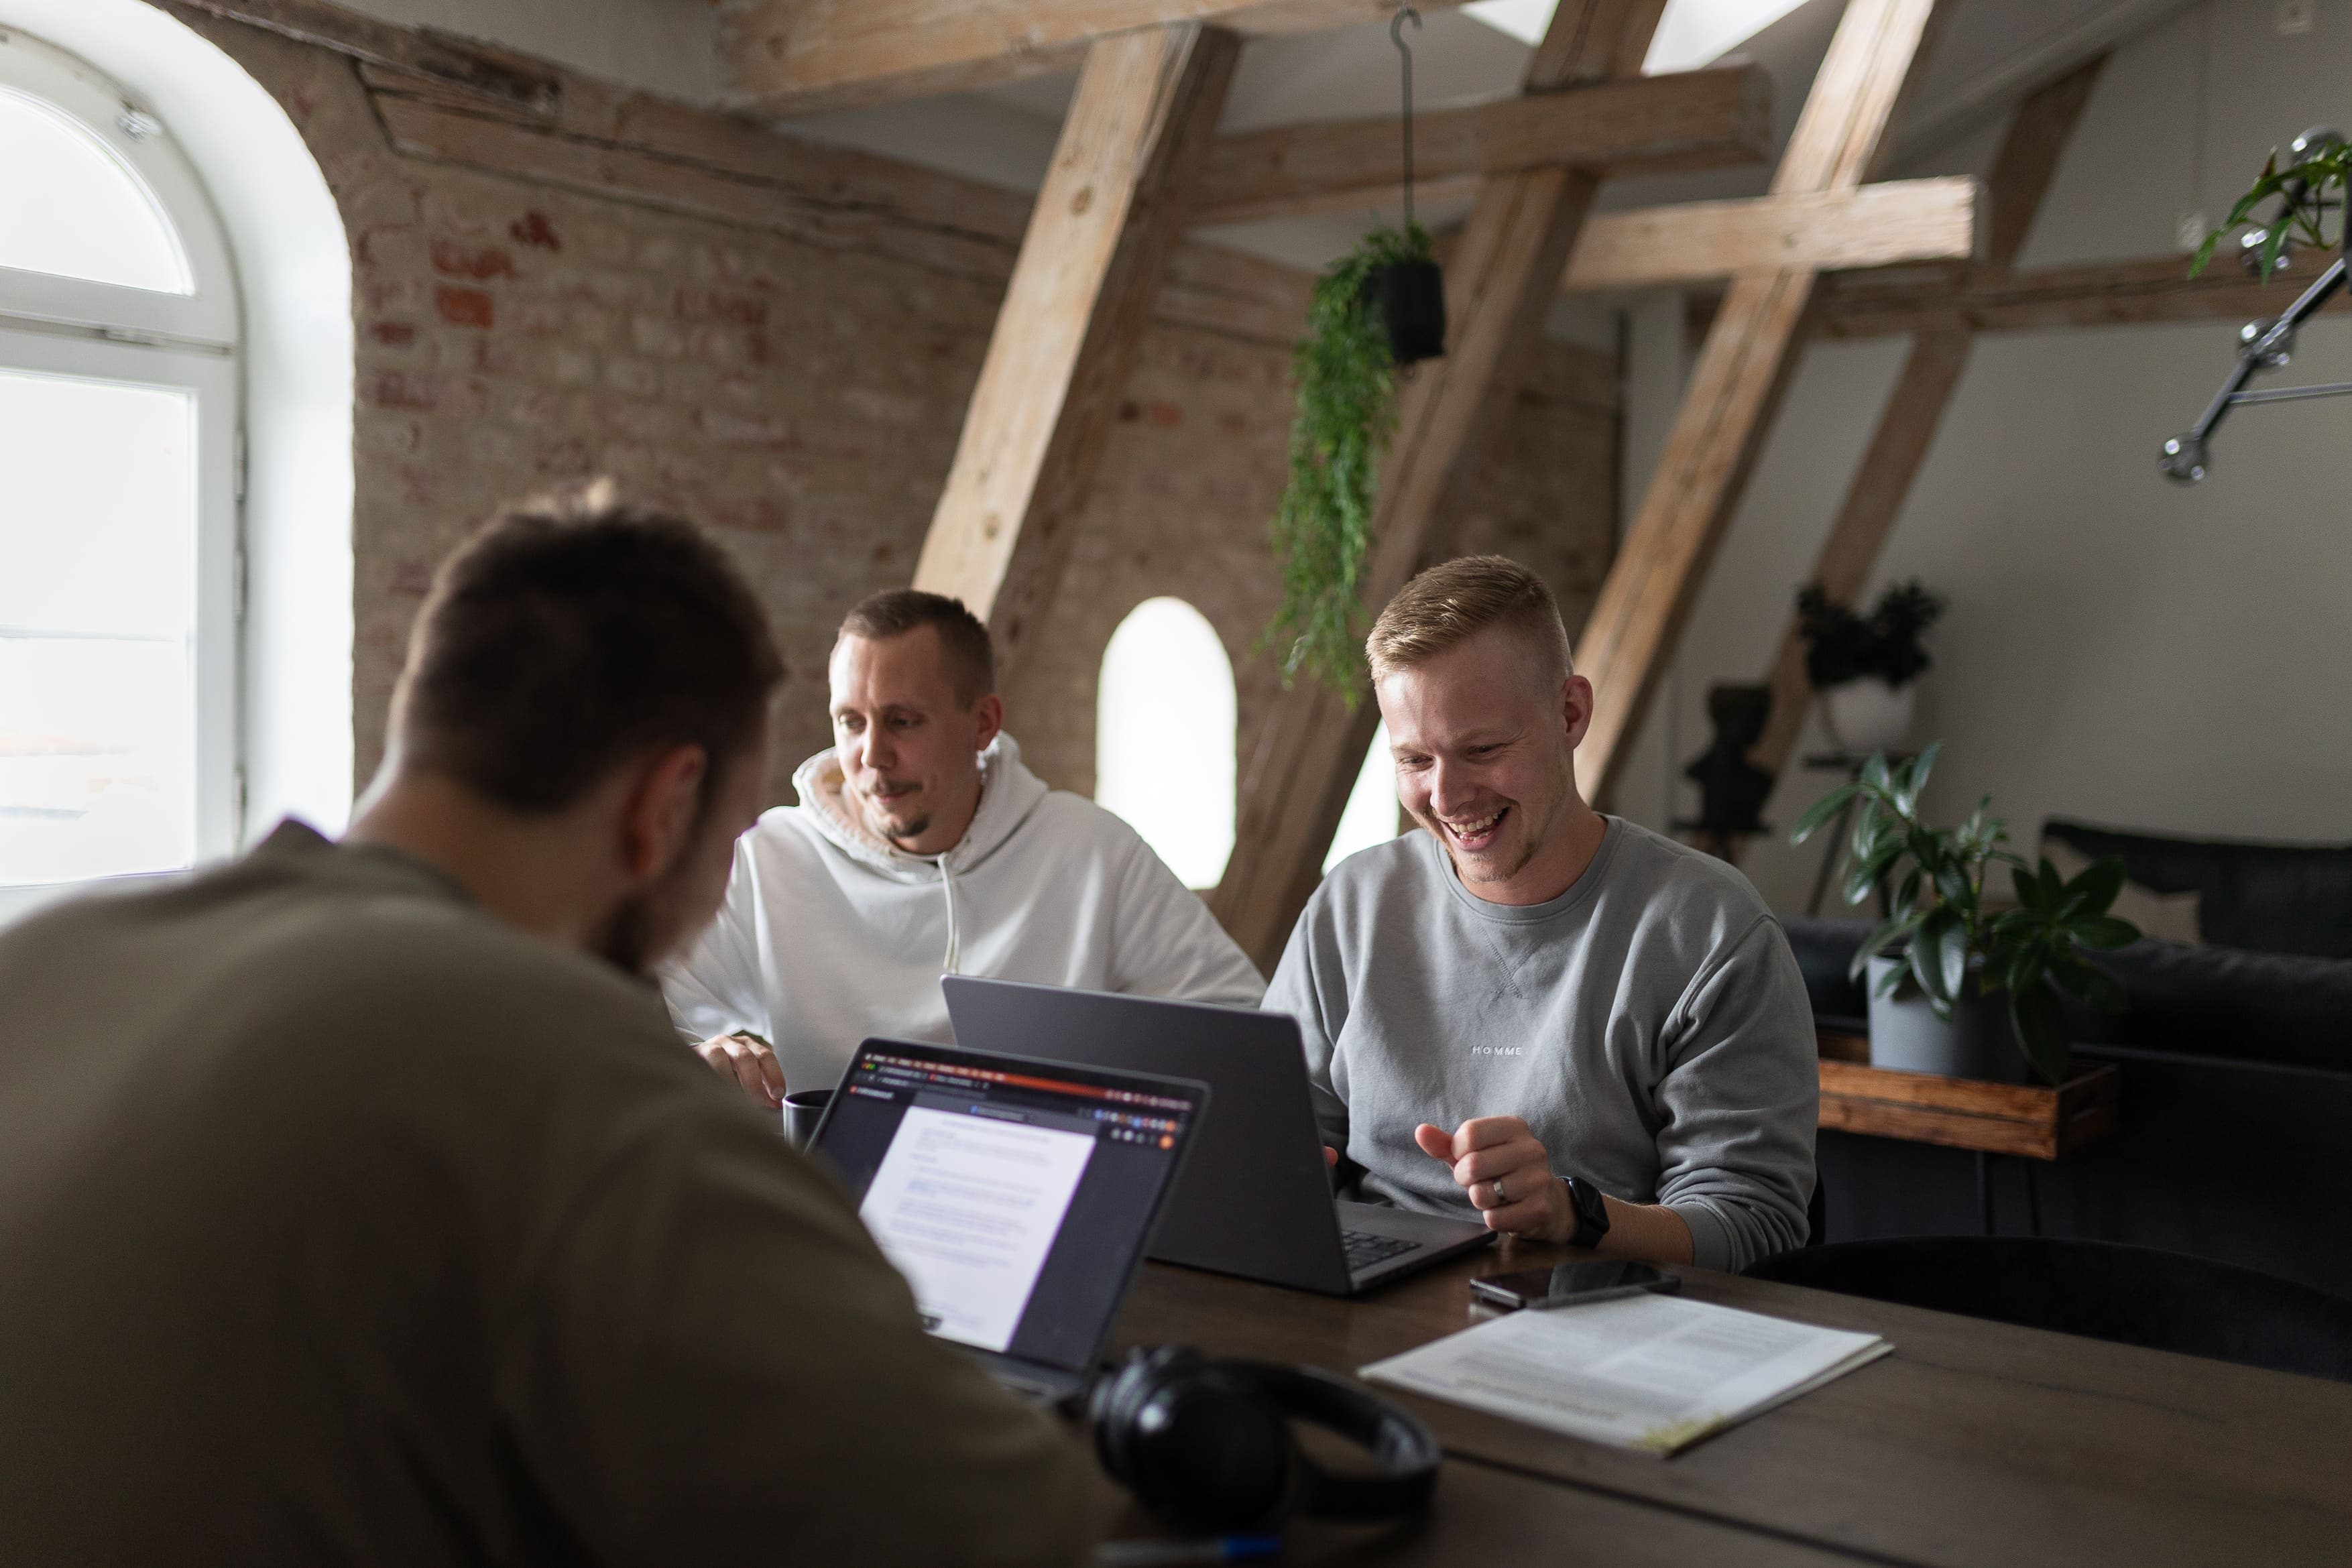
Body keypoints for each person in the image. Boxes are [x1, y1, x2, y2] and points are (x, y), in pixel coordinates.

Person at [0, 494, 1092, 1565]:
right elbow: (988, 1515)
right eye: (727, 839)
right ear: (663, 807)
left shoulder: (46, 960)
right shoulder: (576, 1083)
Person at [1263, 556, 1818, 1272]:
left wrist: (1571, 1212)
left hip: (1598, 1322)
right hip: (1368, 1302)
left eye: (1483, 749)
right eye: (1413, 759)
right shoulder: (1351, 903)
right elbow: (1276, 1135)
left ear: (1570, 713)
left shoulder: (1710, 930)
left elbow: (1754, 1224)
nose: (1448, 793)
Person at [665, 589, 1263, 1104]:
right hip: (822, 1211)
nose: (871, 756)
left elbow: (1242, 1030)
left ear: (984, 723)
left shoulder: (1092, 852)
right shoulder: (765, 858)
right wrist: (703, 1052)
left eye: (902, 721)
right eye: (851, 721)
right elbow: (626, 1014)